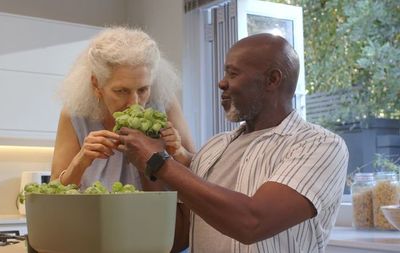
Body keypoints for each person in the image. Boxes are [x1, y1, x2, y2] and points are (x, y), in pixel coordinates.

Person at [118, 33, 349, 253]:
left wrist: (159, 161)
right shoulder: (214, 147)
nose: (221, 83)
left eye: (233, 74)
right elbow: (180, 235)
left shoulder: (320, 146)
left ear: (272, 80)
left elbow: (253, 222)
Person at [51, 27, 195, 191]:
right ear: (96, 84)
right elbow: (55, 189)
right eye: (121, 91)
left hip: (158, 214)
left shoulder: (164, 103)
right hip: (95, 216)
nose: (134, 103)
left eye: (142, 90)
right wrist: (81, 161)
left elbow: (198, 172)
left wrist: (178, 151)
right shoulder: (75, 113)